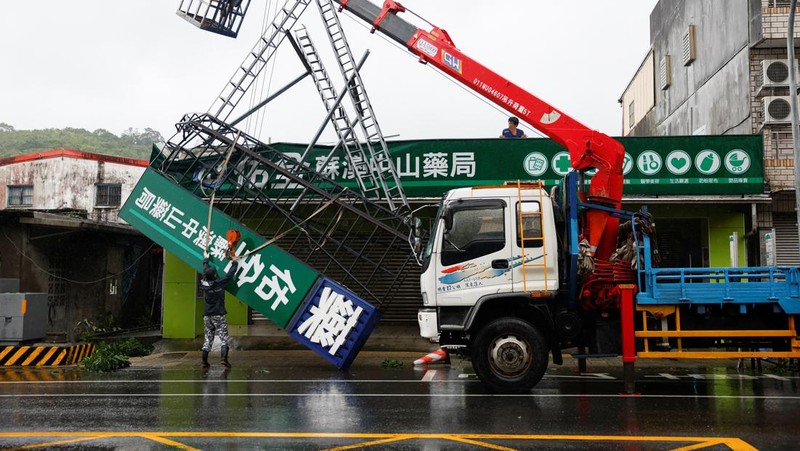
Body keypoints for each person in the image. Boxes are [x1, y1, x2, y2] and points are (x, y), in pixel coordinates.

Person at [200, 253, 239, 368]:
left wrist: (206, 259)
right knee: (223, 337)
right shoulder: (220, 283)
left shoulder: (204, 283)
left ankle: (204, 361)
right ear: (215, 276)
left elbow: (205, 270)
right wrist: (235, 262)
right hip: (219, 314)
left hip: (207, 315)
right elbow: (230, 274)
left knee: (208, 337)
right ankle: (224, 359)